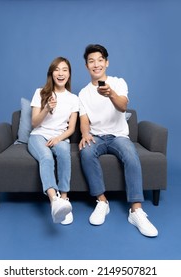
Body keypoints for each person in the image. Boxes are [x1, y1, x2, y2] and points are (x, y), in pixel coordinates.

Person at [78, 44, 158, 237]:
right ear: (86, 66)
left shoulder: (118, 82)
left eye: (99, 60)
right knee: (86, 151)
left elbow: (123, 107)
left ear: (106, 62)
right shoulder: (83, 93)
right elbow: (83, 119)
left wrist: (111, 94)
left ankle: (136, 211)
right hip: (96, 136)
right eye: (91, 61)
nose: (96, 64)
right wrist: (85, 134)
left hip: (118, 136)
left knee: (131, 155)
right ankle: (102, 201)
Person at [28, 57, 79, 225]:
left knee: (65, 153)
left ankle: (64, 199)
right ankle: (54, 201)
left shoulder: (73, 99)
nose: (61, 73)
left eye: (65, 69)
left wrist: (57, 138)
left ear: (69, 74)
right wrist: (47, 109)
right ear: (51, 73)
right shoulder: (40, 92)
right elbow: (34, 123)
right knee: (47, 157)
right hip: (38, 135)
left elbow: (71, 129)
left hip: (60, 137)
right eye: (57, 69)